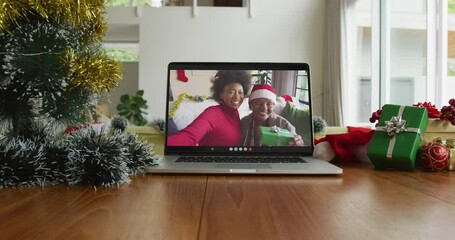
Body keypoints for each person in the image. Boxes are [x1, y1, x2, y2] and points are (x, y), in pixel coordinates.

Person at [167, 70, 252, 146]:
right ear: (221, 94)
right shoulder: (213, 113)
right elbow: (190, 135)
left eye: (240, 92)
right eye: (231, 92)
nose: (237, 96)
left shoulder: (235, 113)